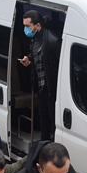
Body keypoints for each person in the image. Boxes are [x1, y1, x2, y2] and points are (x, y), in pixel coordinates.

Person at [18, 11, 60, 142]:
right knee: (42, 115)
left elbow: (58, 65)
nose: (26, 29)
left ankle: (53, 144)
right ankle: (44, 141)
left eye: (28, 26)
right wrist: (28, 59)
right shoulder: (34, 38)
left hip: (50, 85)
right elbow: (35, 55)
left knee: (53, 117)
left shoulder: (53, 41)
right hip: (40, 84)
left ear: (37, 25)